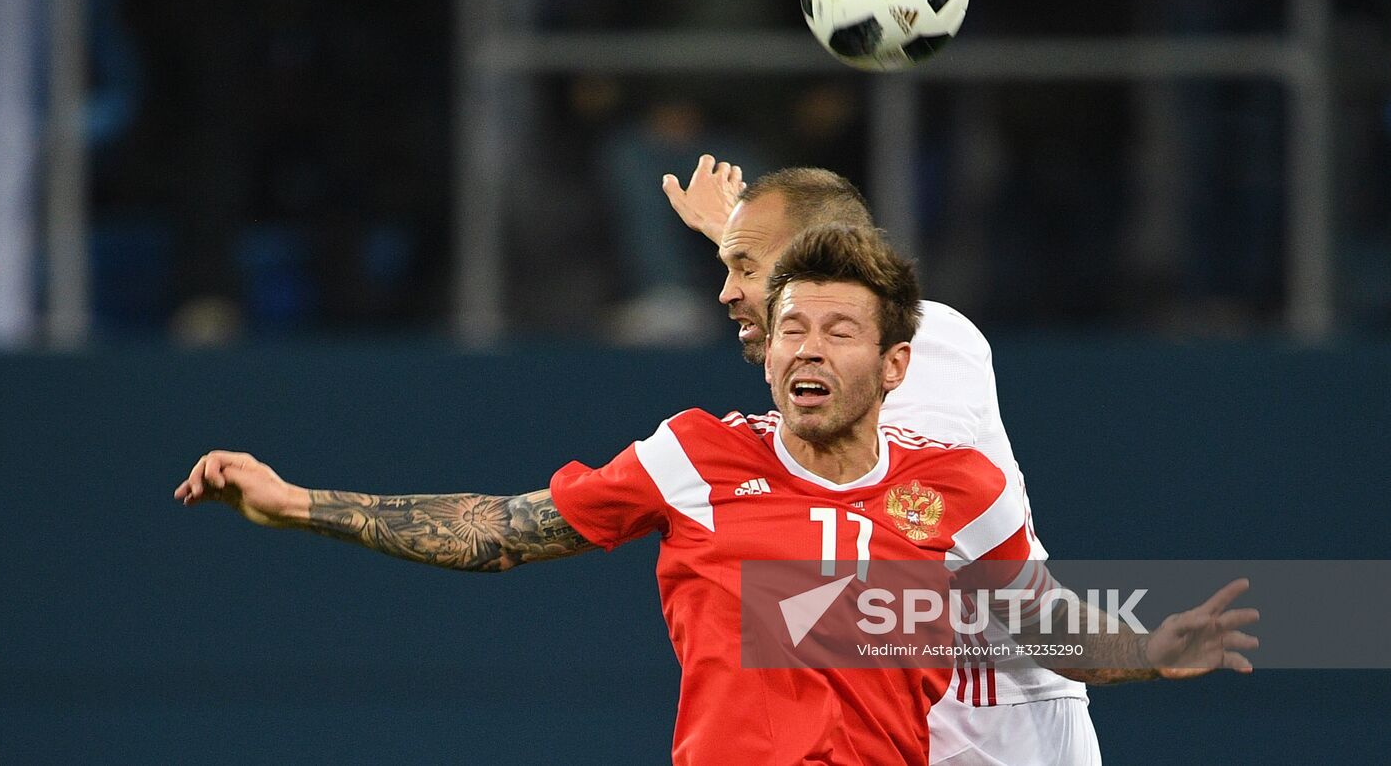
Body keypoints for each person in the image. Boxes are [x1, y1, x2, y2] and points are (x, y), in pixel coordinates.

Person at [176, 225, 1255, 765]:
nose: (808, 346)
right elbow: (504, 530)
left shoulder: (954, 487)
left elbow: (1042, 627)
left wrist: (1149, 647)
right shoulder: (693, 458)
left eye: (838, 329)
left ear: (891, 364)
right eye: (791, 326)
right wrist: (302, 501)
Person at [661, 157, 1243, 764]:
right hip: (905, 709)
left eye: (745, 268)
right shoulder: (833, 351)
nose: (727, 291)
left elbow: (895, 544)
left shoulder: (929, 339)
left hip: (996, 717)